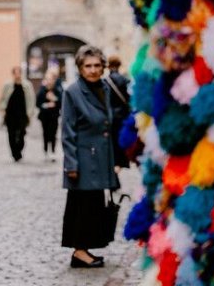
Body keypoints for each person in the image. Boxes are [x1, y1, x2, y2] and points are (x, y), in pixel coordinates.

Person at [61, 45, 119, 268]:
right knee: (81, 206)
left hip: (101, 157)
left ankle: (85, 248)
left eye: (97, 65)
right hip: (83, 159)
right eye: (88, 66)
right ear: (80, 68)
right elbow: (68, 131)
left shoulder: (104, 87)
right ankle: (79, 251)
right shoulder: (73, 92)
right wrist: (71, 165)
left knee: (94, 205)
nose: (93, 70)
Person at [0, 66, 36, 162]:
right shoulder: (8, 85)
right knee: (11, 134)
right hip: (10, 114)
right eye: (15, 73)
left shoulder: (27, 85)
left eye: (19, 73)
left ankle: (19, 149)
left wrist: (30, 112)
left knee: (21, 134)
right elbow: (2, 98)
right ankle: (14, 153)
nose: (17, 75)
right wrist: (2, 110)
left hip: (22, 114)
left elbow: (31, 99)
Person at [104, 55, 131, 169]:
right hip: (124, 113)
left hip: (111, 113)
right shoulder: (125, 80)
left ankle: (115, 161)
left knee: (113, 138)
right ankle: (123, 160)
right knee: (122, 136)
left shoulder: (105, 81)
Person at [36, 69, 63, 162]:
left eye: (51, 79)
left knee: (53, 134)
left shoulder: (58, 89)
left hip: (54, 115)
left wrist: (54, 99)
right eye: (48, 79)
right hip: (44, 116)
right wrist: (46, 105)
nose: (49, 81)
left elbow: (61, 102)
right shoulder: (42, 90)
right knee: (45, 134)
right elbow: (38, 103)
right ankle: (45, 150)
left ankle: (53, 151)